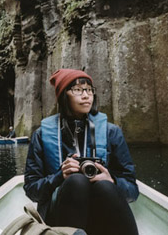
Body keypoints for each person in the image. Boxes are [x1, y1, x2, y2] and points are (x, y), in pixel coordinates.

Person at [24, 69, 138, 234]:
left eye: (89, 90)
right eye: (78, 90)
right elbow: (32, 190)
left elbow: (132, 191)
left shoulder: (111, 132)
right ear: (64, 95)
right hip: (61, 216)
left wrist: (112, 180)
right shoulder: (41, 135)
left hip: (102, 213)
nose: (86, 95)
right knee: (77, 181)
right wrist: (59, 176)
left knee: (105, 186)